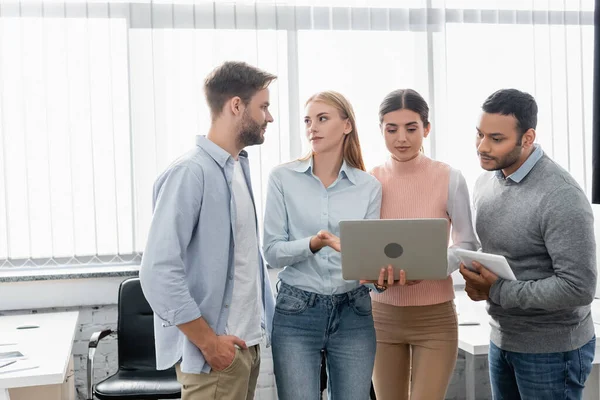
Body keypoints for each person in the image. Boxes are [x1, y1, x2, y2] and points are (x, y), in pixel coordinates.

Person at [139, 61, 277, 400]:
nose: (269, 117)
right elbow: (157, 271)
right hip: (214, 357)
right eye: (263, 107)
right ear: (236, 106)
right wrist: (209, 343)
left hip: (245, 347)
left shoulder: (237, 169)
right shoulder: (191, 173)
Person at [460, 88, 597, 400]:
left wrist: (494, 290)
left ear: (527, 138)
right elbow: (506, 257)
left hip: (552, 350)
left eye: (496, 139)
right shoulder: (486, 182)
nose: (482, 147)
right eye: (479, 135)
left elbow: (578, 287)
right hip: (503, 338)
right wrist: (476, 280)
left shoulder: (560, 195)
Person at [262, 91, 382, 400]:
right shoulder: (282, 178)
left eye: (322, 119)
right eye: (307, 120)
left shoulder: (368, 186)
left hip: (354, 310)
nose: (312, 127)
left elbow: (370, 260)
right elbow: (272, 251)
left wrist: (381, 279)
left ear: (346, 126)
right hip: (296, 310)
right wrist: (314, 244)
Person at [368, 89, 479, 400]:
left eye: (411, 128)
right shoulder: (369, 180)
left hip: (435, 318)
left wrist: (431, 265)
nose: (401, 137)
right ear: (381, 130)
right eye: (392, 129)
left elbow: (467, 242)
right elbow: (363, 247)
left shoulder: (450, 178)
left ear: (426, 129)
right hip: (382, 316)